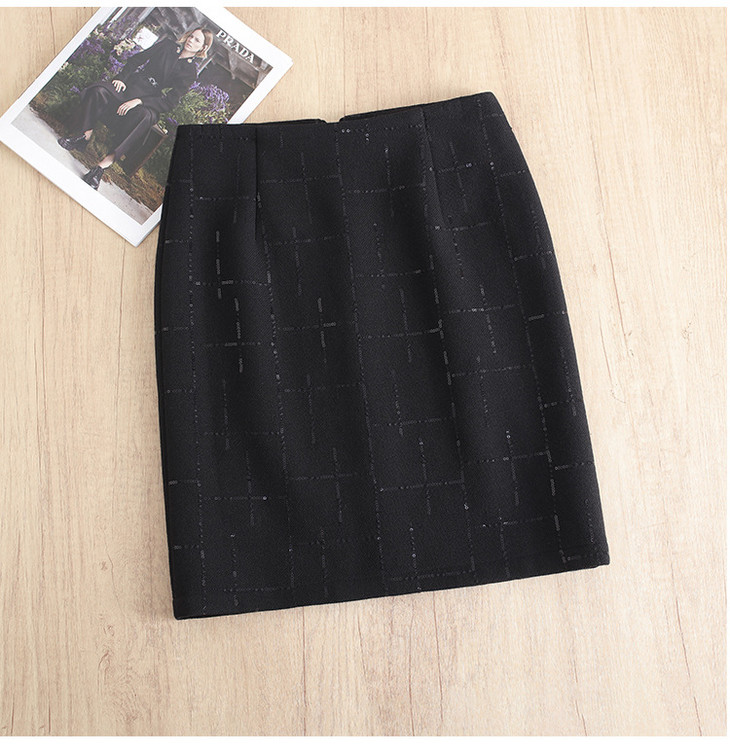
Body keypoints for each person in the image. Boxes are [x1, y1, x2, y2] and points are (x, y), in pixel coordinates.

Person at [58, 27, 213, 189]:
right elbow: (137, 60)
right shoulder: (168, 45)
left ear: (203, 48)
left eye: (197, 40)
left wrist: (139, 101)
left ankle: (102, 166)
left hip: (150, 100)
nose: (191, 40)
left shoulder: (190, 72)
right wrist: (121, 78)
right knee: (99, 91)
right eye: (191, 36)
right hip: (132, 84)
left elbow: (170, 102)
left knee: (145, 117)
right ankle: (84, 136)